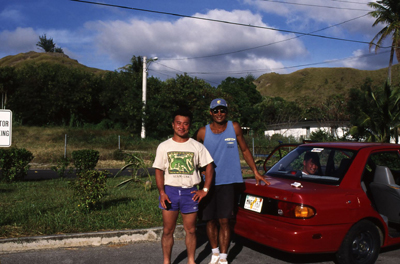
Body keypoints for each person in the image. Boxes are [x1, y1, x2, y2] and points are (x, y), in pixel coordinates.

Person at [195, 98, 270, 264]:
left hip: (228, 182)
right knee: (210, 219)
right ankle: (214, 253)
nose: (219, 113)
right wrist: (197, 172)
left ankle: (223, 257)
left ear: (226, 112)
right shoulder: (202, 132)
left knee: (224, 220)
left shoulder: (234, 127)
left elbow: (244, 149)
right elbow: (192, 152)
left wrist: (255, 172)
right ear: (211, 112)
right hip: (208, 183)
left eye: (222, 110)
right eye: (216, 110)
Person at [153, 108, 214, 264]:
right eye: (178, 123)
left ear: (190, 126)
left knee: (191, 230)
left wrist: (204, 190)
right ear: (173, 124)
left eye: (185, 124)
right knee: (167, 231)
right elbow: (159, 171)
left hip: (190, 192)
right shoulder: (164, 146)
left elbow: (209, 166)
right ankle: (167, 261)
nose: (182, 127)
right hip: (170, 192)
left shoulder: (197, 146)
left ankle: (191, 261)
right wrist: (162, 192)